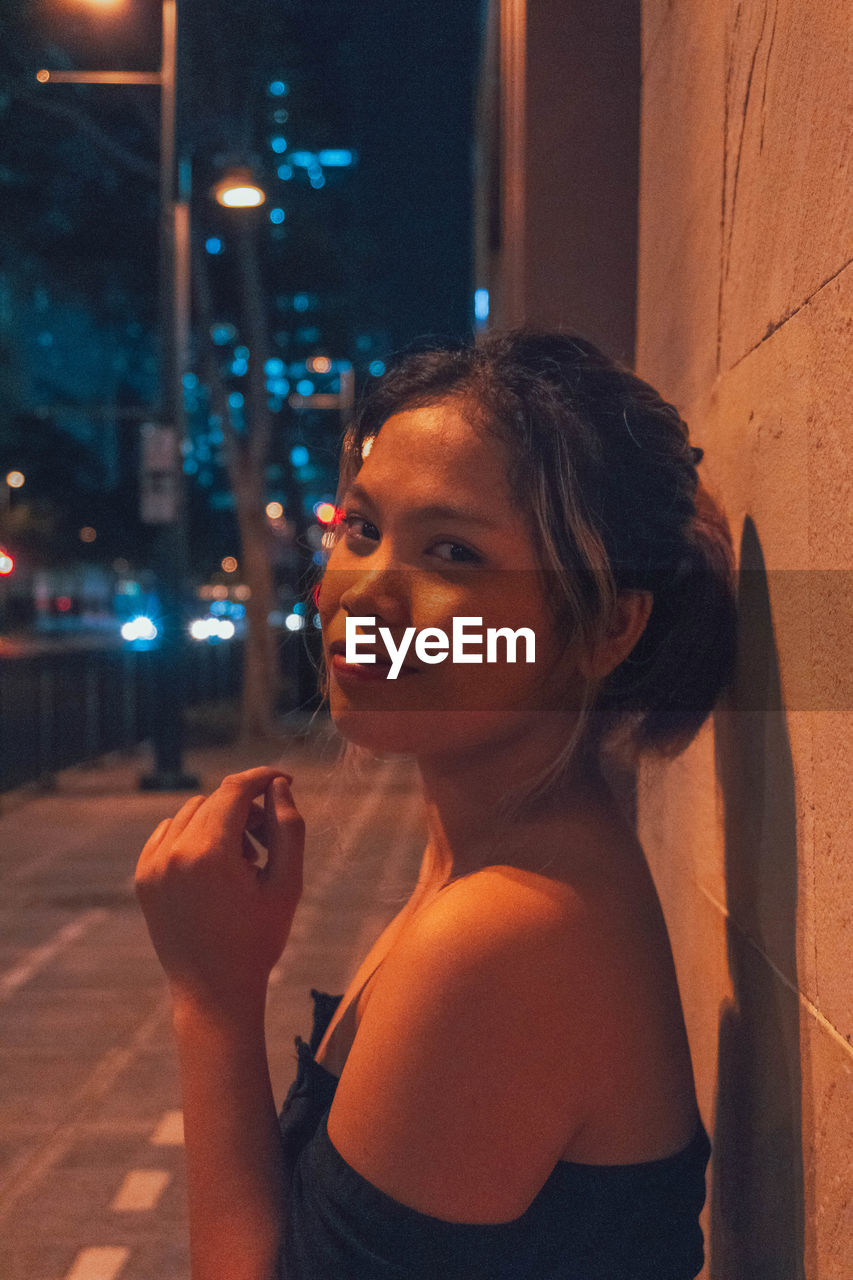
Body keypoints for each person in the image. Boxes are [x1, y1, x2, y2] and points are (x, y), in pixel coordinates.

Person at [135, 329, 738, 1279]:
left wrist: (211, 994)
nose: (363, 593)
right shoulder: (484, 867)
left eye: (451, 552)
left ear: (606, 627)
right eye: (361, 530)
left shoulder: (506, 934)